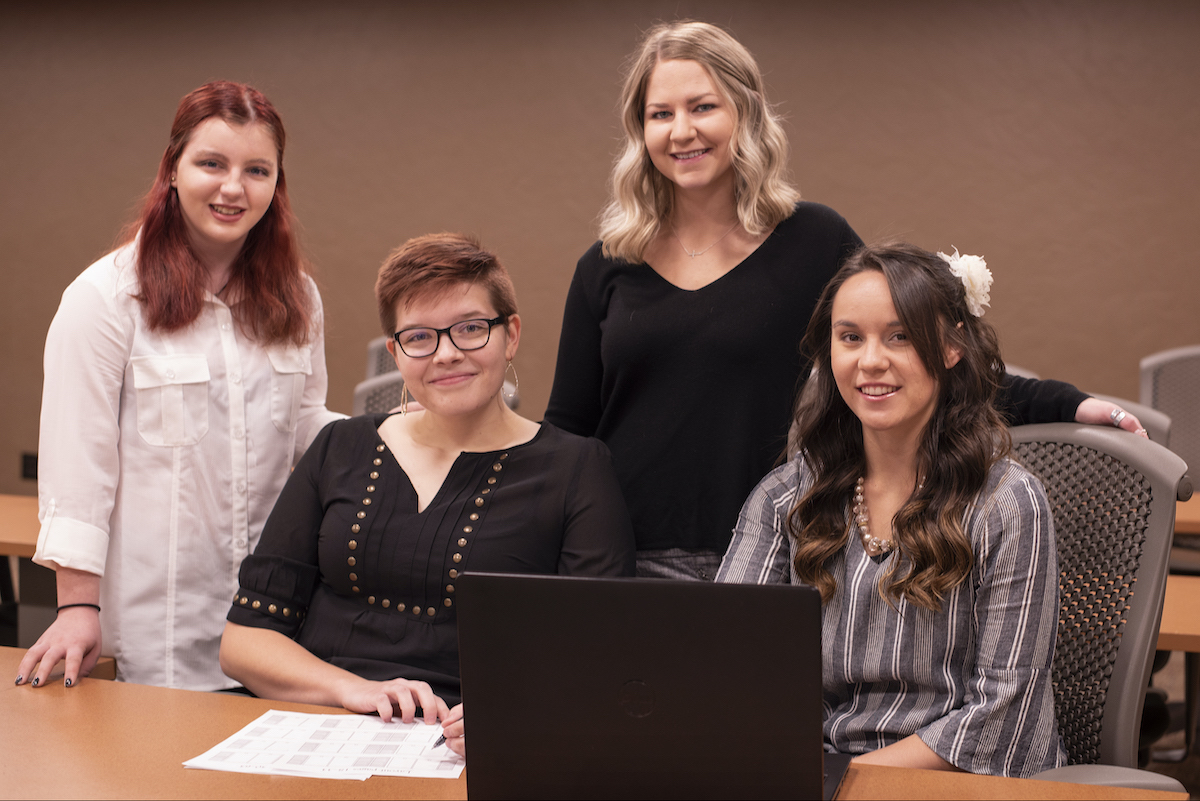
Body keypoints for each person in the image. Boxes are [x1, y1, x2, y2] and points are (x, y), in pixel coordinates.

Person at [544, 20, 1144, 581]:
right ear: (639, 131)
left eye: (703, 107)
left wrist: (1066, 403)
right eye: (660, 114)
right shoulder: (606, 267)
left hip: (778, 552)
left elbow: (921, 355)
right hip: (627, 563)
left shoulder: (811, 240)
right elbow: (570, 430)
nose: (682, 131)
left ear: (744, 114)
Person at [219, 233, 636, 758]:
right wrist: (355, 691)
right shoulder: (340, 447)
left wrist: (515, 711)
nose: (446, 354)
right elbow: (244, 641)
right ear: (396, 353)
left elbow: (603, 653)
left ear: (511, 334)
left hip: (469, 747)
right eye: (419, 337)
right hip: (315, 731)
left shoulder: (577, 468)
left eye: (469, 329)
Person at [16, 81, 343, 692]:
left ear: (276, 186)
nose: (232, 188)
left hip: (272, 626)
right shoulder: (105, 299)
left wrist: (397, 437)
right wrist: (75, 607)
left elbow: (305, 429)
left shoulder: (298, 298)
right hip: (155, 634)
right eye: (211, 163)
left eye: (256, 170)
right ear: (172, 170)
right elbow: (77, 465)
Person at [718, 242, 1066, 777]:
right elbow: (730, 663)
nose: (871, 360)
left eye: (899, 336)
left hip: (963, 781)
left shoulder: (1007, 502)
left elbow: (1003, 711)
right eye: (850, 337)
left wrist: (849, 780)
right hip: (820, 772)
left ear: (951, 347)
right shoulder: (788, 495)